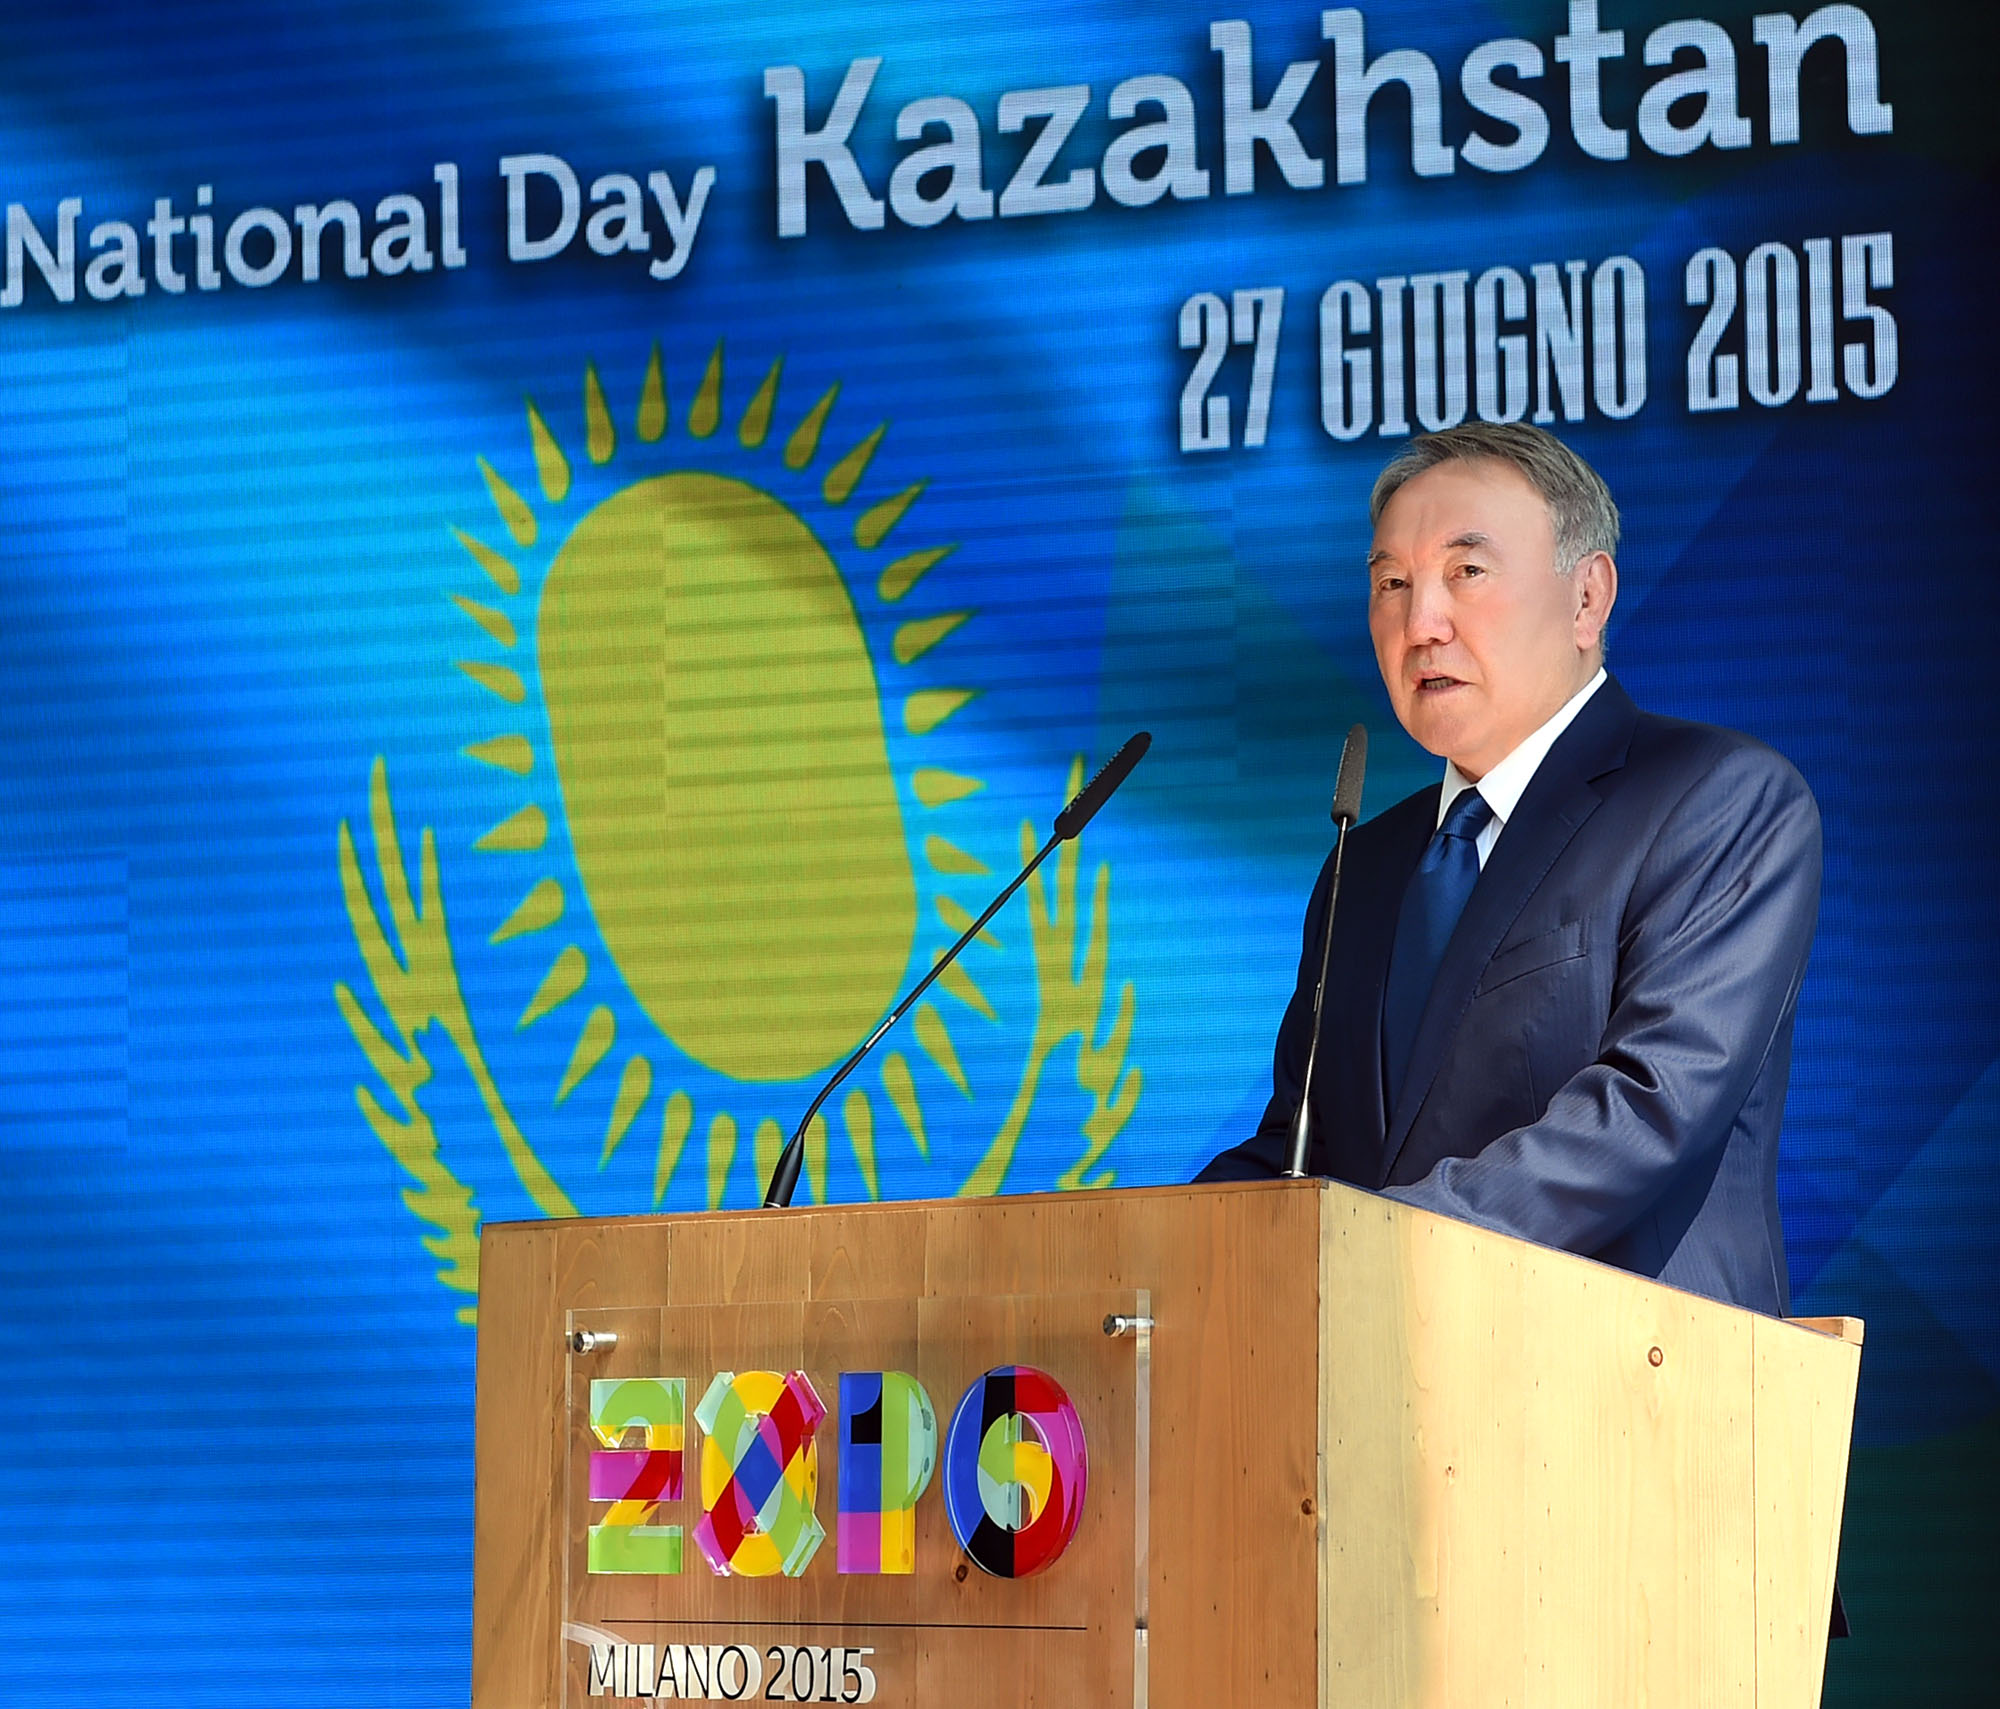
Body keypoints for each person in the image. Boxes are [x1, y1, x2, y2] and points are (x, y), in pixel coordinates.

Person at [1196, 422, 1821, 1315]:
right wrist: (1145, 1245)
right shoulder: (1360, 866)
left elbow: (1648, 1108)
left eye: (1466, 571)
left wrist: (1368, 1243)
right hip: (1389, 1378)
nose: (1421, 624)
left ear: (1587, 599)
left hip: (1634, 1370)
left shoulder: (1715, 798)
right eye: (1392, 584)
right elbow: (1303, 1153)